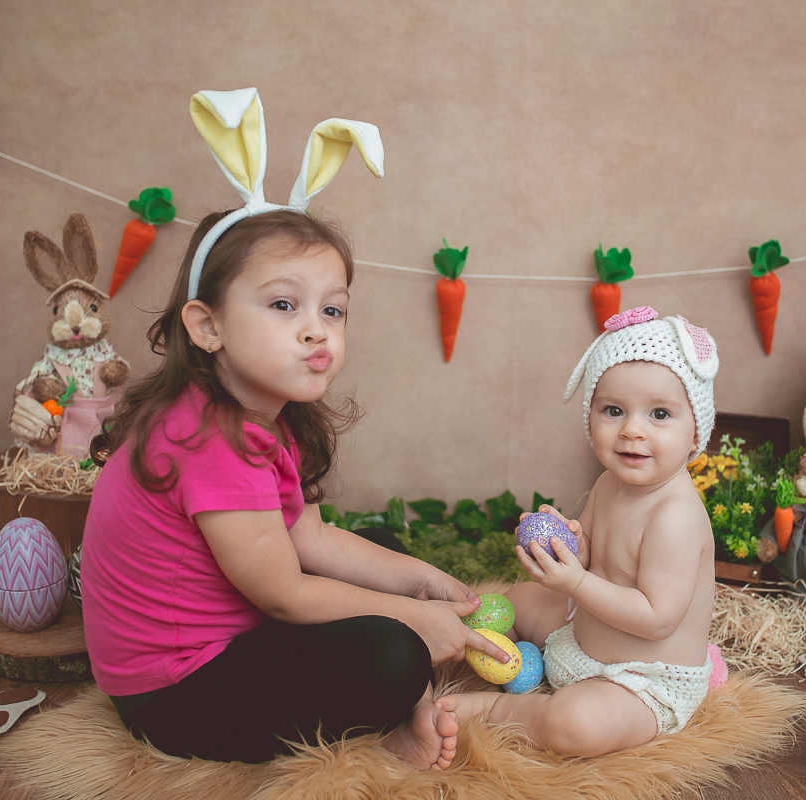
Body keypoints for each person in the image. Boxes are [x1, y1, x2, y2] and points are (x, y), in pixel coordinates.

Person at [80, 89, 508, 770]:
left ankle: (397, 700)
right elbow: (283, 593)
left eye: (332, 310)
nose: (316, 328)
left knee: (382, 551)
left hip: (238, 634)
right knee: (392, 649)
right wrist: (410, 622)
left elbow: (307, 538)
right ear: (207, 326)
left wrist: (418, 580)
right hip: (175, 690)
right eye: (284, 304)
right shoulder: (205, 438)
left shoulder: (271, 415)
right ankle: (390, 723)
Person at [439, 307, 723, 756]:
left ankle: (497, 709)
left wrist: (574, 581)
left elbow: (656, 618)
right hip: (581, 638)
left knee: (577, 725)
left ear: (695, 434)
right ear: (590, 419)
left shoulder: (676, 517)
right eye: (614, 410)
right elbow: (592, 557)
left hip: (641, 681)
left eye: (660, 414)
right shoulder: (609, 482)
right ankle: (515, 663)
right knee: (516, 603)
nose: (632, 430)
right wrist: (565, 546)